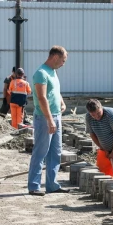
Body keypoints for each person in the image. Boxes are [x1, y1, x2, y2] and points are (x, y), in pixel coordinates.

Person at [27, 46, 69, 196]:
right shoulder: (41, 73)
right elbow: (42, 97)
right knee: (40, 152)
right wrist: (50, 120)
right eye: (63, 60)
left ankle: (52, 185)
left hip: (56, 116)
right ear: (55, 57)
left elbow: (54, 91)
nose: (64, 64)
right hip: (45, 118)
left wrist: (61, 102)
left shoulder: (53, 72)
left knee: (55, 153)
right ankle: (34, 186)